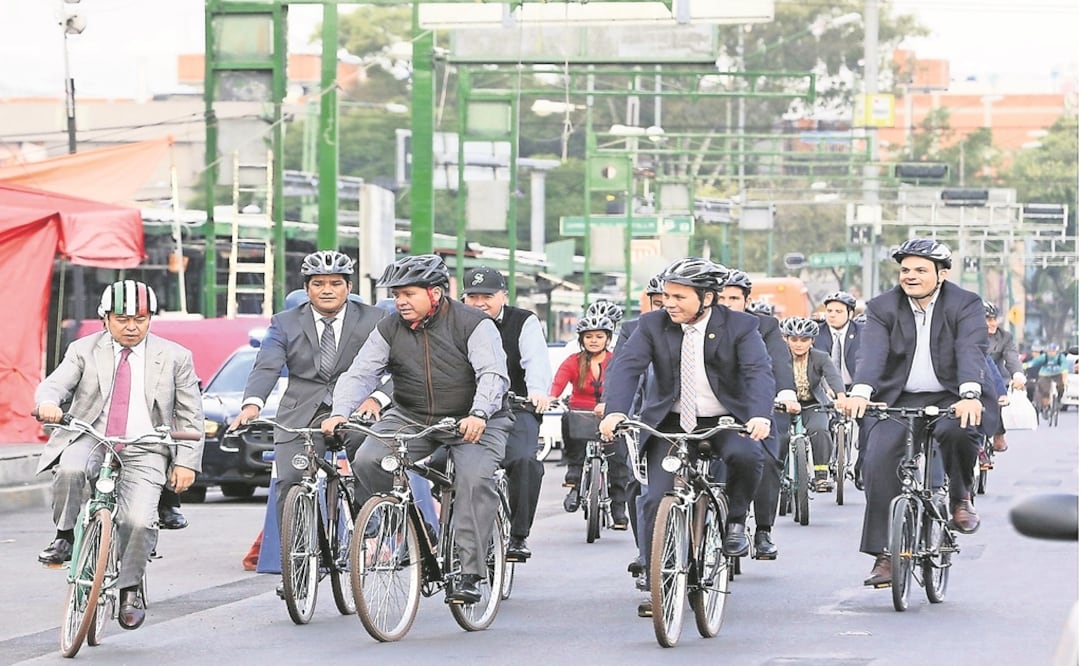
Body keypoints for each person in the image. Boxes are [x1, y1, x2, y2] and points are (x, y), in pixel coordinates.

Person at [321, 254, 511, 605]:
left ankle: (469, 573)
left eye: (409, 293)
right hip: (413, 415)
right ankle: (418, 531)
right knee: (368, 459)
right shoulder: (389, 328)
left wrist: (479, 413)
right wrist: (339, 412)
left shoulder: (473, 323)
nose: (400, 301)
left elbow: (492, 374)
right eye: (396, 295)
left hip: (474, 418)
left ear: (435, 293)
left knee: (472, 480)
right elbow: (361, 373)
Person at [600, 257, 775, 617]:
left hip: (726, 418)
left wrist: (759, 415)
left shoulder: (741, 326)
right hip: (671, 422)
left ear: (707, 298)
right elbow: (627, 368)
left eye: (679, 297)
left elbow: (758, 371)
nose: (669, 303)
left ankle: (736, 520)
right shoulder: (652, 325)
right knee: (654, 498)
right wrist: (615, 410)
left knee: (746, 456)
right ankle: (658, 583)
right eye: (666, 295)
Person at [35, 280, 204, 630]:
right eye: (122, 319)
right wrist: (48, 402)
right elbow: (55, 383)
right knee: (70, 470)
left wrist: (186, 462)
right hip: (91, 436)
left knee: (139, 521)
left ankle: (130, 589)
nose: (131, 327)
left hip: (146, 446)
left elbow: (191, 415)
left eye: (140, 319)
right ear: (105, 318)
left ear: (151, 318)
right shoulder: (83, 349)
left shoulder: (176, 356)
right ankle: (64, 536)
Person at [836, 239, 999, 587]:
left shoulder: (965, 304)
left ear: (941, 274)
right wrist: (861, 392)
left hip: (952, 394)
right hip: (899, 397)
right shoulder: (882, 307)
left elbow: (970, 349)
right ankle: (886, 553)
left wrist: (970, 394)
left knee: (961, 430)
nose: (910, 276)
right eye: (905, 270)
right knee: (878, 460)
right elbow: (872, 353)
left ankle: (960, 496)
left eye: (920, 270)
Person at [229, 251, 389, 525]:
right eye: (318, 283)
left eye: (335, 283)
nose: (327, 290)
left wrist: (376, 399)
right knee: (291, 479)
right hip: (301, 411)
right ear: (306, 288)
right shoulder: (284, 323)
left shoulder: (376, 319)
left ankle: (367, 521)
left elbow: (402, 367)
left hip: (357, 409)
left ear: (349, 287)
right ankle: (299, 545)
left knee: (367, 460)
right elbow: (267, 366)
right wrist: (252, 405)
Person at [462, 265, 552, 561]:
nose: (479, 303)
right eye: (472, 297)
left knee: (524, 460)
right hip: (467, 409)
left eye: (487, 296)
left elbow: (536, 360)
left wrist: (537, 390)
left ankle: (518, 535)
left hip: (516, 407)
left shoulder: (523, 321)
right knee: (437, 462)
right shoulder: (455, 320)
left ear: (504, 295)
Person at [716, 269, 798, 560]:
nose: (727, 304)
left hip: (756, 406)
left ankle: (763, 530)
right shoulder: (701, 324)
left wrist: (786, 393)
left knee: (767, 460)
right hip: (715, 408)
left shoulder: (764, 326)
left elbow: (778, 361)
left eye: (733, 298)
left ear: (746, 301)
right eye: (721, 298)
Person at [550, 313, 631, 528]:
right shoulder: (573, 361)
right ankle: (574, 477)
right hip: (580, 414)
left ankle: (618, 509)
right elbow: (558, 382)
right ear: (581, 339)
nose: (594, 341)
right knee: (568, 419)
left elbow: (625, 384)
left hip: (610, 415)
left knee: (618, 462)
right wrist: (551, 397)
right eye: (588, 337)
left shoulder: (616, 360)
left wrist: (614, 407)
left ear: (608, 339)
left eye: (599, 336)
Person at [611, 273, 665, 582]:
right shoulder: (634, 330)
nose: (665, 307)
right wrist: (618, 414)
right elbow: (624, 376)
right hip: (647, 422)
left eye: (673, 300)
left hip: (695, 421)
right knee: (638, 484)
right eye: (658, 302)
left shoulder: (700, 331)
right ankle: (647, 556)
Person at [778, 317, 846, 492]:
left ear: (812, 341)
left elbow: (833, 376)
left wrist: (841, 397)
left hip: (812, 403)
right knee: (780, 436)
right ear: (786, 339)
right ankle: (777, 473)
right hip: (784, 405)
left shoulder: (820, 357)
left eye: (804, 339)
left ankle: (821, 476)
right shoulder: (778, 357)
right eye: (794, 339)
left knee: (820, 431)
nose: (799, 344)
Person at [812, 291, 866, 488]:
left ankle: (862, 468)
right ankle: (824, 467)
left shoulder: (863, 332)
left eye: (838, 311)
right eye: (829, 311)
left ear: (850, 313)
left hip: (856, 386)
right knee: (826, 421)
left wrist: (861, 390)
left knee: (868, 425)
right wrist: (825, 388)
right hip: (826, 386)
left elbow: (867, 362)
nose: (832, 315)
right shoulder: (816, 332)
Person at [984, 301, 1026, 451]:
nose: (993, 323)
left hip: (996, 380)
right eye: (988, 319)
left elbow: (1012, 357)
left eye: (995, 319)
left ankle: (999, 433)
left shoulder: (1005, 337)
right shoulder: (968, 334)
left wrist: (1018, 376)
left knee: (996, 401)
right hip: (971, 377)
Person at [1024, 341, 1071, 413]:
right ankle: (1045, 406)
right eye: (1049, 351)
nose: (1051, 353)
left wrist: (1064, 379)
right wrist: (1024, 366)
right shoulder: (1044, 357)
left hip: (1057, 374)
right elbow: (1034, 362)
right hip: (1045, 375)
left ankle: (1058, 399)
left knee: (1061, 386)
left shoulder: (1060, 357)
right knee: (1044, 389)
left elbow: (1064, 368)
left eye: (1053, 351)